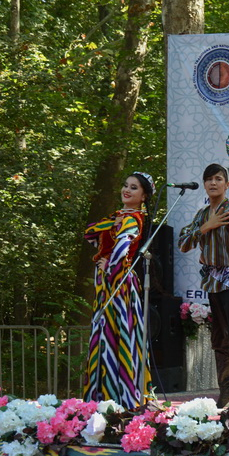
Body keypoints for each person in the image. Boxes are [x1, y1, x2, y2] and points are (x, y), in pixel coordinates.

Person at [179, 163, 229, 411]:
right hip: (211, 284)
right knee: (219, 340)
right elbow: (183, 243)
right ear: (204, 185)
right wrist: (206, 227)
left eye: (218, 179)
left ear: (227, 185)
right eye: (209, 179)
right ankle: (225, 393)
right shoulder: (203, 215)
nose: (213, 183)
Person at [84, 172, 155, 408]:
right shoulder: (119, 216)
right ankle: (104, 395)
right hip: (107, 283)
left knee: (119, 333)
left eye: (134, 188)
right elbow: (90, 232)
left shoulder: (133, 218)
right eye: (125, 185)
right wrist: (111, 225)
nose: (127, 190)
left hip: (120, 284)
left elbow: (123, 248)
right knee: (106, 333)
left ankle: (122, 396)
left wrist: (109, 265)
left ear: (143, 196)